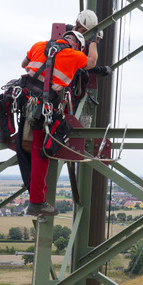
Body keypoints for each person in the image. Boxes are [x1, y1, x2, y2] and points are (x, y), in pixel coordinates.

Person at [18, 29, 98, 216]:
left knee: (24, 148)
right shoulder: (74, 54)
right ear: (77, 45)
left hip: (24, 102)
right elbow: (92, 62)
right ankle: (36, 202)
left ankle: (30, 188)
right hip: (43, 109)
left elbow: (24, 64)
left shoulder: (39, 45)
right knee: (42, 153)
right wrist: (94, 41)